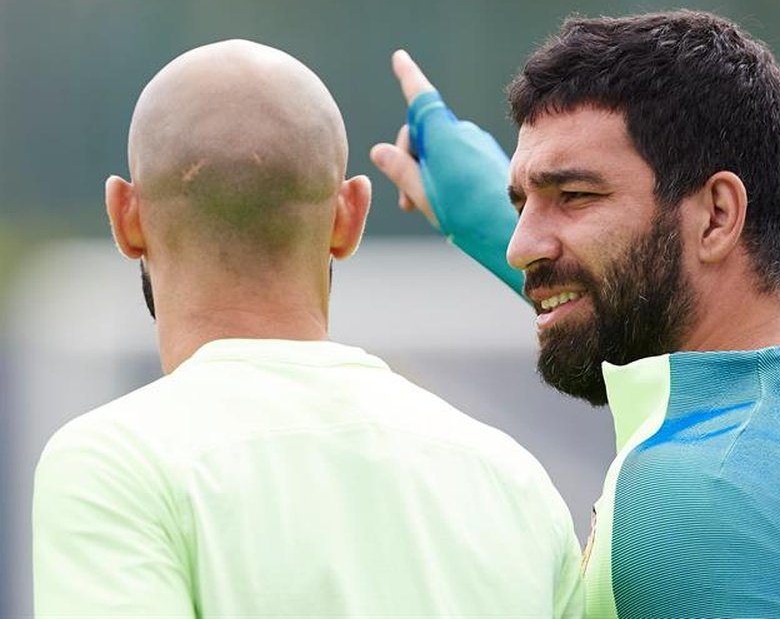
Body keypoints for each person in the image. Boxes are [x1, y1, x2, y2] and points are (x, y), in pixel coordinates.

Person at [371, 11, 780, 617]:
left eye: (574, 195)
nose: (520, 245)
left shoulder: (685, 501)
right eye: (522, 204)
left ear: (716, 215)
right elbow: (650, 299)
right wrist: (480, 205)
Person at [32, 40, 583, 618]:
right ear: (349, 216)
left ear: (125, 216)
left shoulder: (115, 466)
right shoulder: (512, 481)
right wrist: (525, 244)